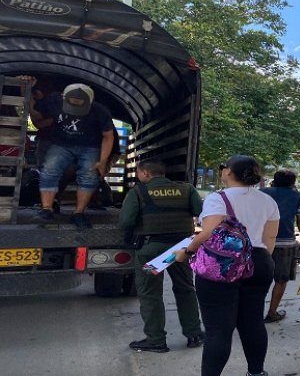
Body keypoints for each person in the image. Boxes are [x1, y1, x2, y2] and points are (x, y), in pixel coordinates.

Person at [174, 155, 279, 376]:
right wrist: (253, 261)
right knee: (252, 321)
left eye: (223, 168)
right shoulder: (268, 201)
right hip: (259, 261)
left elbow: (209, 232)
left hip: (222, 267)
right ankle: (257, 372)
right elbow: (270, 239)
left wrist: (187, 252)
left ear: (228, 172)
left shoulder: (217, 198)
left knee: (218, 330)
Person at [119, 160, 204, 353]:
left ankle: (156, 340)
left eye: (139, 173)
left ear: (146, 173)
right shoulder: (186, 189)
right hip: (180, 250)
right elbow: (201, 213)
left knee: (150, 293)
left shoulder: (139, 192)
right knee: (185, 289)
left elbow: (126, 221)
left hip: (152, 251)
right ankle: (194, 334)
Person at [34, 83, 115, 229]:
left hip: (90, 146)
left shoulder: (101, 111)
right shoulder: (53, 100)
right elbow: (36, 117)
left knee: (90, 175)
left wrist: (103, 161)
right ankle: (47, 208)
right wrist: (26, 92)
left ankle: (79, 213)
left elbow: (108, 136)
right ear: (63, 98)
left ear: (90, 102)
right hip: (61, 143)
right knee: (50, 169)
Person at [260, 170, 300, 323]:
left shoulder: (261, 193)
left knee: (257, 279)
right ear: (293, 183)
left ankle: (251, 313)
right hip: (285, 243)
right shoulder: (297, 197)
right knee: (281, 279)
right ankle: (272, 313)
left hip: (260, 242)